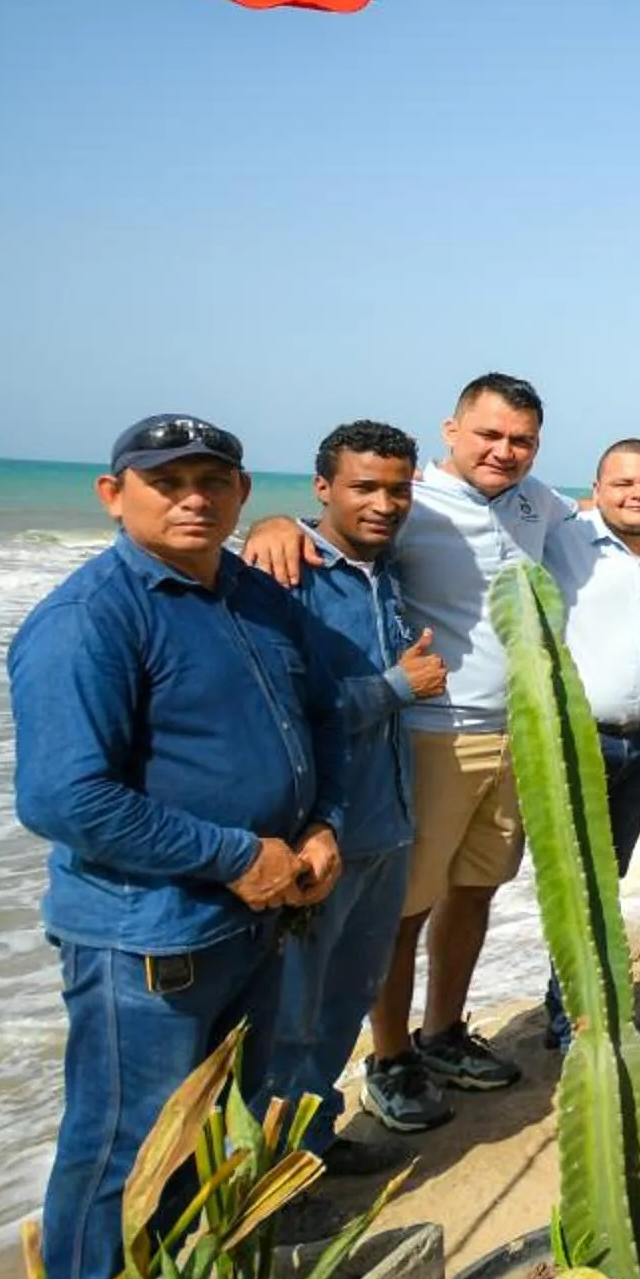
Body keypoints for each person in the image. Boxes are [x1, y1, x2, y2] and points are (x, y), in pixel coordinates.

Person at [10, 414, 345, 1279]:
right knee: (125, 1148)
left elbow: (318, 717)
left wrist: (325, 826)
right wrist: (235, 856)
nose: (194, 499)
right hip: (152, 938)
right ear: (115, 496)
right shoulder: (90, 619)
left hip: (264, 917)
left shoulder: (251, 591)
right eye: (168, 482)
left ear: (241, 493)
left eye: (213, 481)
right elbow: (63, 799)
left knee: (233, 1135)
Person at [241, 373, 573, 1132]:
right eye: (488, 435)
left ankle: (445, 1032)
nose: (503, 451)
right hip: (431, 739)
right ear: (451, 431)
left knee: (476, 890)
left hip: (518, 731)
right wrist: (271, 522)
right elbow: (336, 526)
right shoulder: (411, 503)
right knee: (402, 910)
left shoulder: (536, 501)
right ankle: (389, 1056)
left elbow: (596, 514)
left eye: (520, 440)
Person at [260, 421, 446, 1175]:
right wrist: (400, 687)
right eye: (364, 487)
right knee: (292, 1010)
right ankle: (274, 1172)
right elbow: (286, 707)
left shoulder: (389, 568)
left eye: (398, 489)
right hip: (322, 830)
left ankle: (316, 1142)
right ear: (323, 489)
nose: (383, 503)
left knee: (349, 993)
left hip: (388, 816)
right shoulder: (286, 573)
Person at [538, 440, 640, 1049]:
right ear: (597, 489)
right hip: (574, 738)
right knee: (573, 882)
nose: (638, 495)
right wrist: (285, 527)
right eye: (623, 484)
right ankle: (572, 1019)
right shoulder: (562, 541)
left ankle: (593, 1006)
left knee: (609, 879)